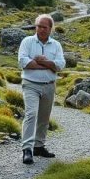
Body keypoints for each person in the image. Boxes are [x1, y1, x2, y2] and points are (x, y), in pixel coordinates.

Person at [17, 13, 66, 165]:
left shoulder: (56, 45)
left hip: (49, 85)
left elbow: (60, 65)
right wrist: (48, 65)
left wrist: (42, 62)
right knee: (31, 114)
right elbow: (23, 62)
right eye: (38, 26)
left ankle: (39, 146)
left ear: (50, 28)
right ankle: (27, 149)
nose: (41, 29)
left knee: (44, 118)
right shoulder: (27, 41)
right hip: (30, 84)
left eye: (44, 27)